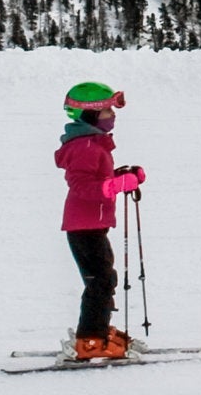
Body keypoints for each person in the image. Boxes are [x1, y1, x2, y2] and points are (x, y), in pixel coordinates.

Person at [57, 82, 149, 361]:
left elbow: (96, 179)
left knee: (103, 278)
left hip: (91, 225)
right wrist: (117, 185)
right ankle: (90, 341)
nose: (113, 115)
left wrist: (121, 175)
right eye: (107, 110)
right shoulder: (85, 146)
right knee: (100, 281)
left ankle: (98, 331)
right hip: (83, 226)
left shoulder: (92, 144)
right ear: (91, 115)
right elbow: (81, 186)